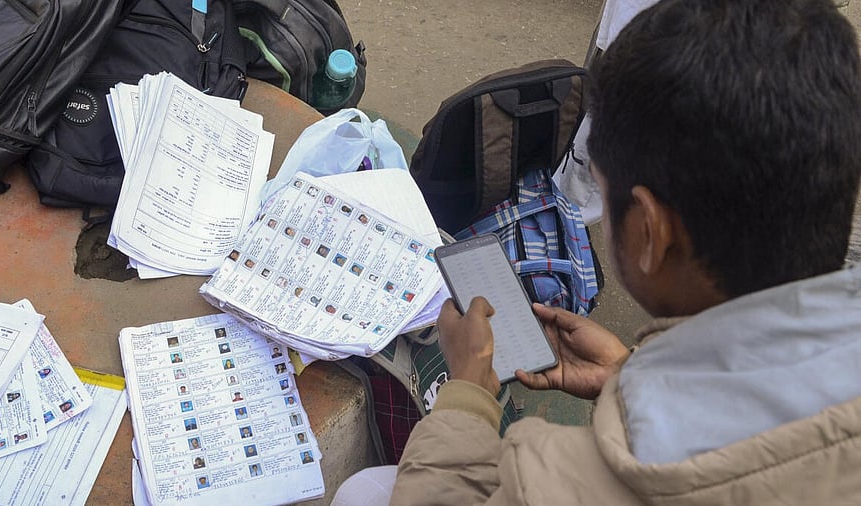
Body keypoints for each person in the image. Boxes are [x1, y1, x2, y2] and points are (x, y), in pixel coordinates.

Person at [338, 1, 861, 504]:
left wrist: (469, 388)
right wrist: (629, 375)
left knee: (362, 494)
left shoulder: (558, 479)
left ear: (650, 235)